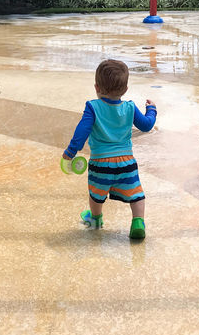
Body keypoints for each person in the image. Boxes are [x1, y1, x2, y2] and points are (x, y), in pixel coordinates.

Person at [62, 59, 157, 240]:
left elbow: (82, 131)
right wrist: (151, 110)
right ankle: (138, 222)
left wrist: (71, 151)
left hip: (100, 163)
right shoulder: (129, 107)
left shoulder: (93, 107)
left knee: (96, 194)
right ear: (126, 90)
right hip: (126, 162)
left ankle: (96, 219)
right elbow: (146, 125)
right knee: (136, 193)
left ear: (97, 87)